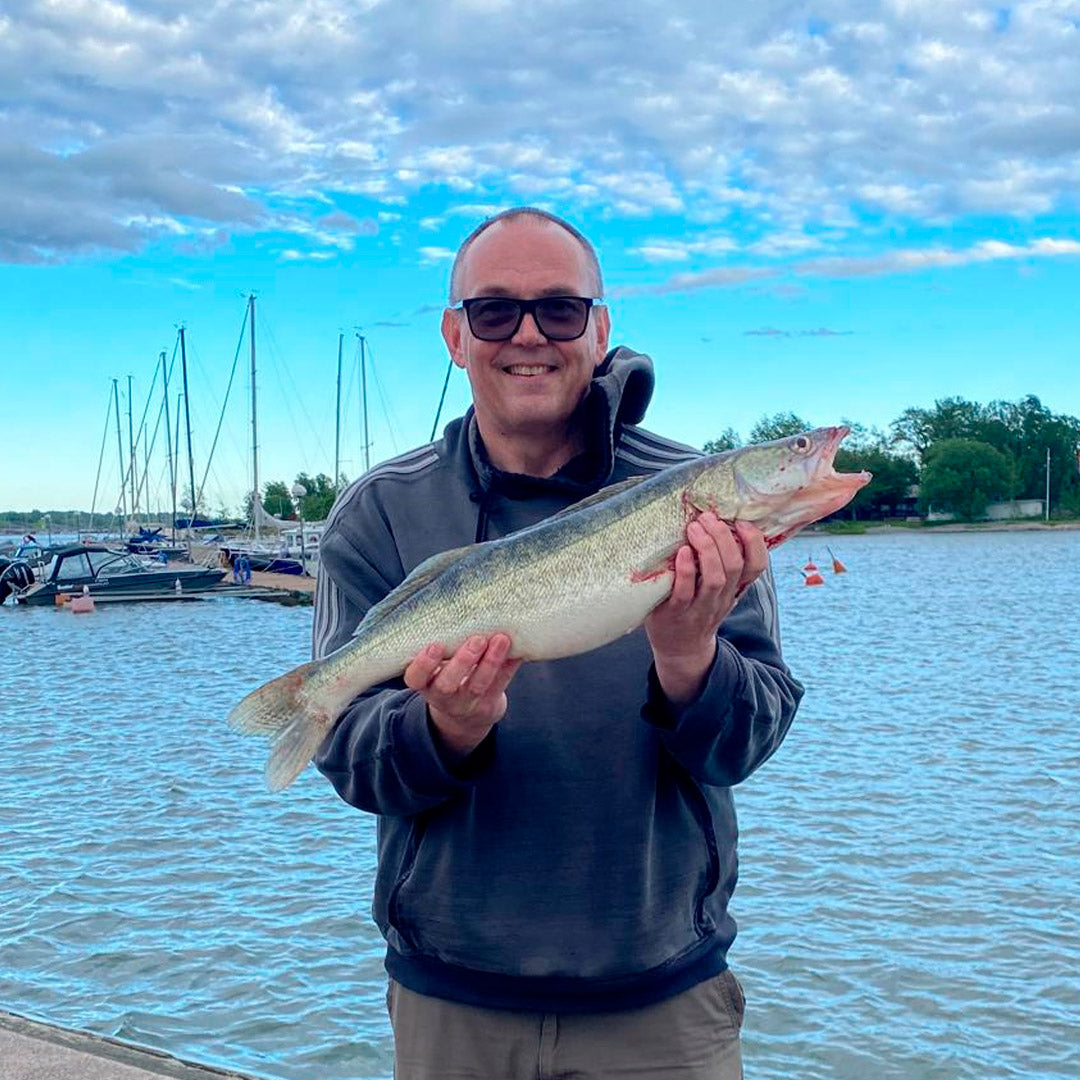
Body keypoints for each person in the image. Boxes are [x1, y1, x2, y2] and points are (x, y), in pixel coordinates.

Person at [312, 207, 804, 1079]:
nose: (529, 334)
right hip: (450, 1006)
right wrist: (445, 729)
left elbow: (749, 742)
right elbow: (351, 760)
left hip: (665, 1004)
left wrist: (690, 657)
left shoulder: (699, 504)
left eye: (561, 310)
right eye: (496, 312)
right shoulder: (378, 513)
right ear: (455, 336)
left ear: (602, 327)